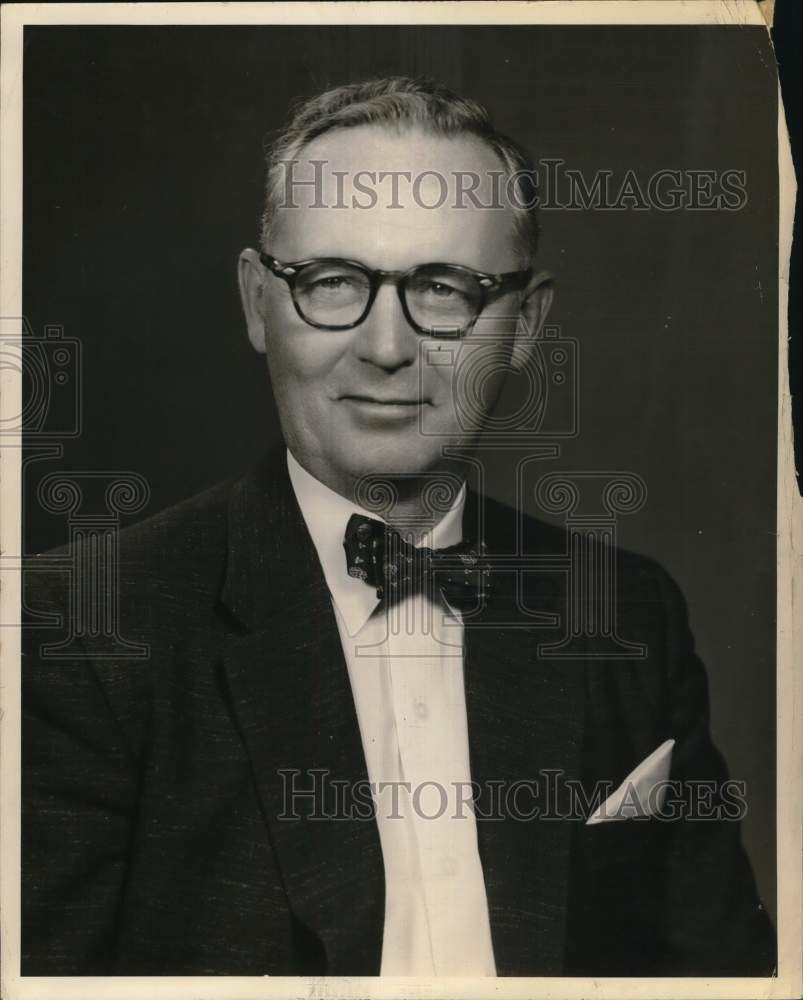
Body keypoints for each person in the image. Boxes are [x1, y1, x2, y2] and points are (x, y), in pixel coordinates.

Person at [22, 76, 775, 977]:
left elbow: (721, 978)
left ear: (526, 323)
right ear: (258, 304)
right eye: (331, 281)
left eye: (445, 288)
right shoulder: (76, 626)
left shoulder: (625, 611)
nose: (385, 348)